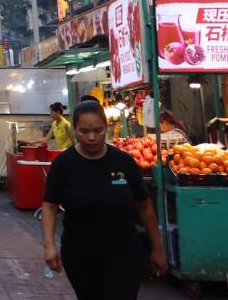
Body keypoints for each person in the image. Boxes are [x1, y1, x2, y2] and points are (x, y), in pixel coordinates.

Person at [42, 101, 166, 300]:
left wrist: (157, 249)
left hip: (123, 252)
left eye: (98, 130)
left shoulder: (123, 162)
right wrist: (49, 245)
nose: (91, 137)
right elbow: (49, 206)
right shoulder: (64, 164)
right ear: (74, 130)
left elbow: (144, 206)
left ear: (106, 128)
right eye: (84, 131)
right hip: (79, 254)